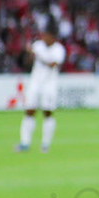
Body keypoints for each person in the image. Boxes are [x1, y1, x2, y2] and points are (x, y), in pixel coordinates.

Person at [15, 24, 65, 153]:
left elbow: (53, 64)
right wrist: (28, 54)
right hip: (35, 82)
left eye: (46, 35)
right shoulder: (38, 46)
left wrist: (38, 55)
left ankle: (45, 144)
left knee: (47, 112)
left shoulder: (58, 49)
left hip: (49, 84)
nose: (44, 38)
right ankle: (25, 142)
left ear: (52, 37)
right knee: (29, 111)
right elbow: (26, 63)